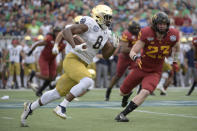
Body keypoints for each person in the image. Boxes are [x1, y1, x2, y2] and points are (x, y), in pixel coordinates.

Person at [20, 4, 119, 127]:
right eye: (107, 17)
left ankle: (30, 107)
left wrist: (114, 46)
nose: (109, 20)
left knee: (56, 93)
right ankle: (62, 107)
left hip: (83, 64)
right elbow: (66, 31)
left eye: (110, 18)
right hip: (73, 59)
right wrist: (74, 46)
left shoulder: (106, 32)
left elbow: (105, 55)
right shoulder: (89, 23)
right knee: (88, 81)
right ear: (98, 16)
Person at [114, 12, 180, 122]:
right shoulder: (146, 33)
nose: (162, 26)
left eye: (164, 24)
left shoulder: (173, 35)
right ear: (155, 24)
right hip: (140, 67)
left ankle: (122, 114)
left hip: (155, 71)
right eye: (160, 23)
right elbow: (133, 51)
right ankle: (127, 94)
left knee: (145, 91)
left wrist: (175, 61)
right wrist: (136, 58)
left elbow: (177, 49)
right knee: (122, 92)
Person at [105, 21, 141, 103]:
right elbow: (124, 49)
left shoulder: (140, 34)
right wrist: (136, 49)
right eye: (135, 29)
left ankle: (131, 93)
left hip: (133, 57)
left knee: (136, 75)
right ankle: (108, 90)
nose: (137, 30)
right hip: (124, 57)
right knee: (118, 76)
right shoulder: (126, 34)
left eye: (138, 28)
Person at [27, 26, 65, 96]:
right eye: (56, 32)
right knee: (45, 76)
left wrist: (64, 61)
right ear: (54, 32)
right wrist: (31, 51)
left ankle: (39, 91)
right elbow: (38, 43)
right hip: (44, 58)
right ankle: (33, 73)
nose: (57, 34)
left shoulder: (62, 41)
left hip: (52, 59)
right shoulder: (49, 38)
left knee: (52, 77)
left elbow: (63, 52)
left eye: (59, 32)